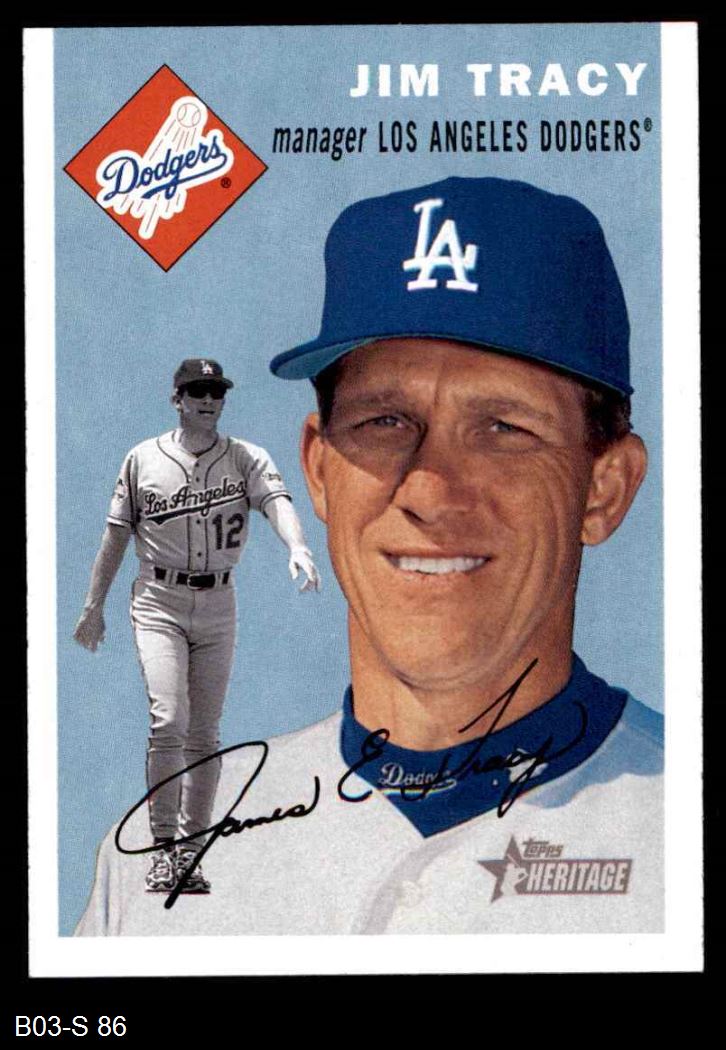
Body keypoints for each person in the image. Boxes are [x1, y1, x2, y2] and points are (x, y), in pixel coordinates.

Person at [76, 178, 663, 936]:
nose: (430, 489)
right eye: (385, 421)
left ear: (604, 489)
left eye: (503, 428)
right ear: (319, 471)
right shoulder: (162, 853)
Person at [73, 357, 321, 896]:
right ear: (177, 399)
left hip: (217, 601)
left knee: (205, 733)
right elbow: (115, 537)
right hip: (158, 599)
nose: (208, 400)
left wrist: (298, 546)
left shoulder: (246, 457)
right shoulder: (143, 458)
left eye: (216, 391)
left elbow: (277, 502)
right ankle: (162, 849)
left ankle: (190, 851)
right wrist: (94, 606)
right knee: (169, 721)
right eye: (197, 391)